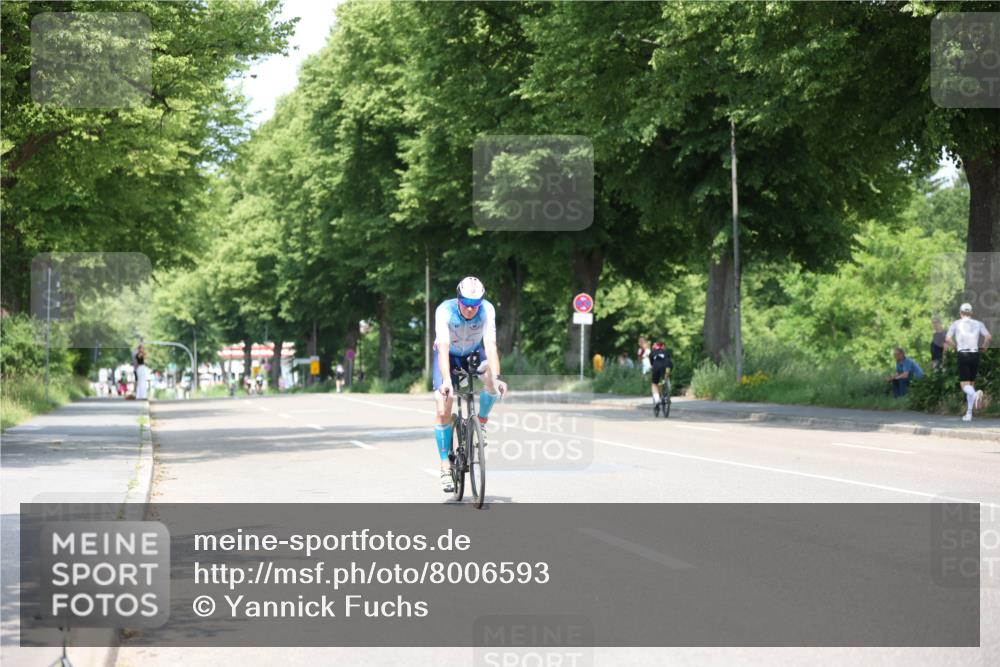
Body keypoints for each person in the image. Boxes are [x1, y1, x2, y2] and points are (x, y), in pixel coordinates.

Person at [433, 277, 508, 493]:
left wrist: (498, 376)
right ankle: (445, 465)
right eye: (465, 303)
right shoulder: (444, 310)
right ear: (458, 298)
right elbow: (444, 347)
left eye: (474, 305)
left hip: (475, 353)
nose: (469, 308)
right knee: (443, 404)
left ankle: (481, 422)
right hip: (449, 355)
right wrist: (447, 380)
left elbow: (491, 346)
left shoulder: (487, 310)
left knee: (491, 379)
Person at [945, 302, 993, 422]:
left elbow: (947, 339)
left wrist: (955, 347)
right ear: (971, 313)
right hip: (975, 354)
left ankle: (976, 394)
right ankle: (969, 414)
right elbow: (988, 337)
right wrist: (984, 347)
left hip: (963, 353)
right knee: (971, 384)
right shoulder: (978, 323)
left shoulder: (956, 323)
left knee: (965, 386)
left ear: (961, 313)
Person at [649, 342, 674, 415]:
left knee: (654, 384)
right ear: (663, 347)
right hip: (668, 366)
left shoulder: (652, 353)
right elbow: (669, 359)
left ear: (654, 347)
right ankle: (667, 386)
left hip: (657, 366)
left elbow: (652, 364)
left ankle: (657, 401)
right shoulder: (666, 352)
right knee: (666, 376)